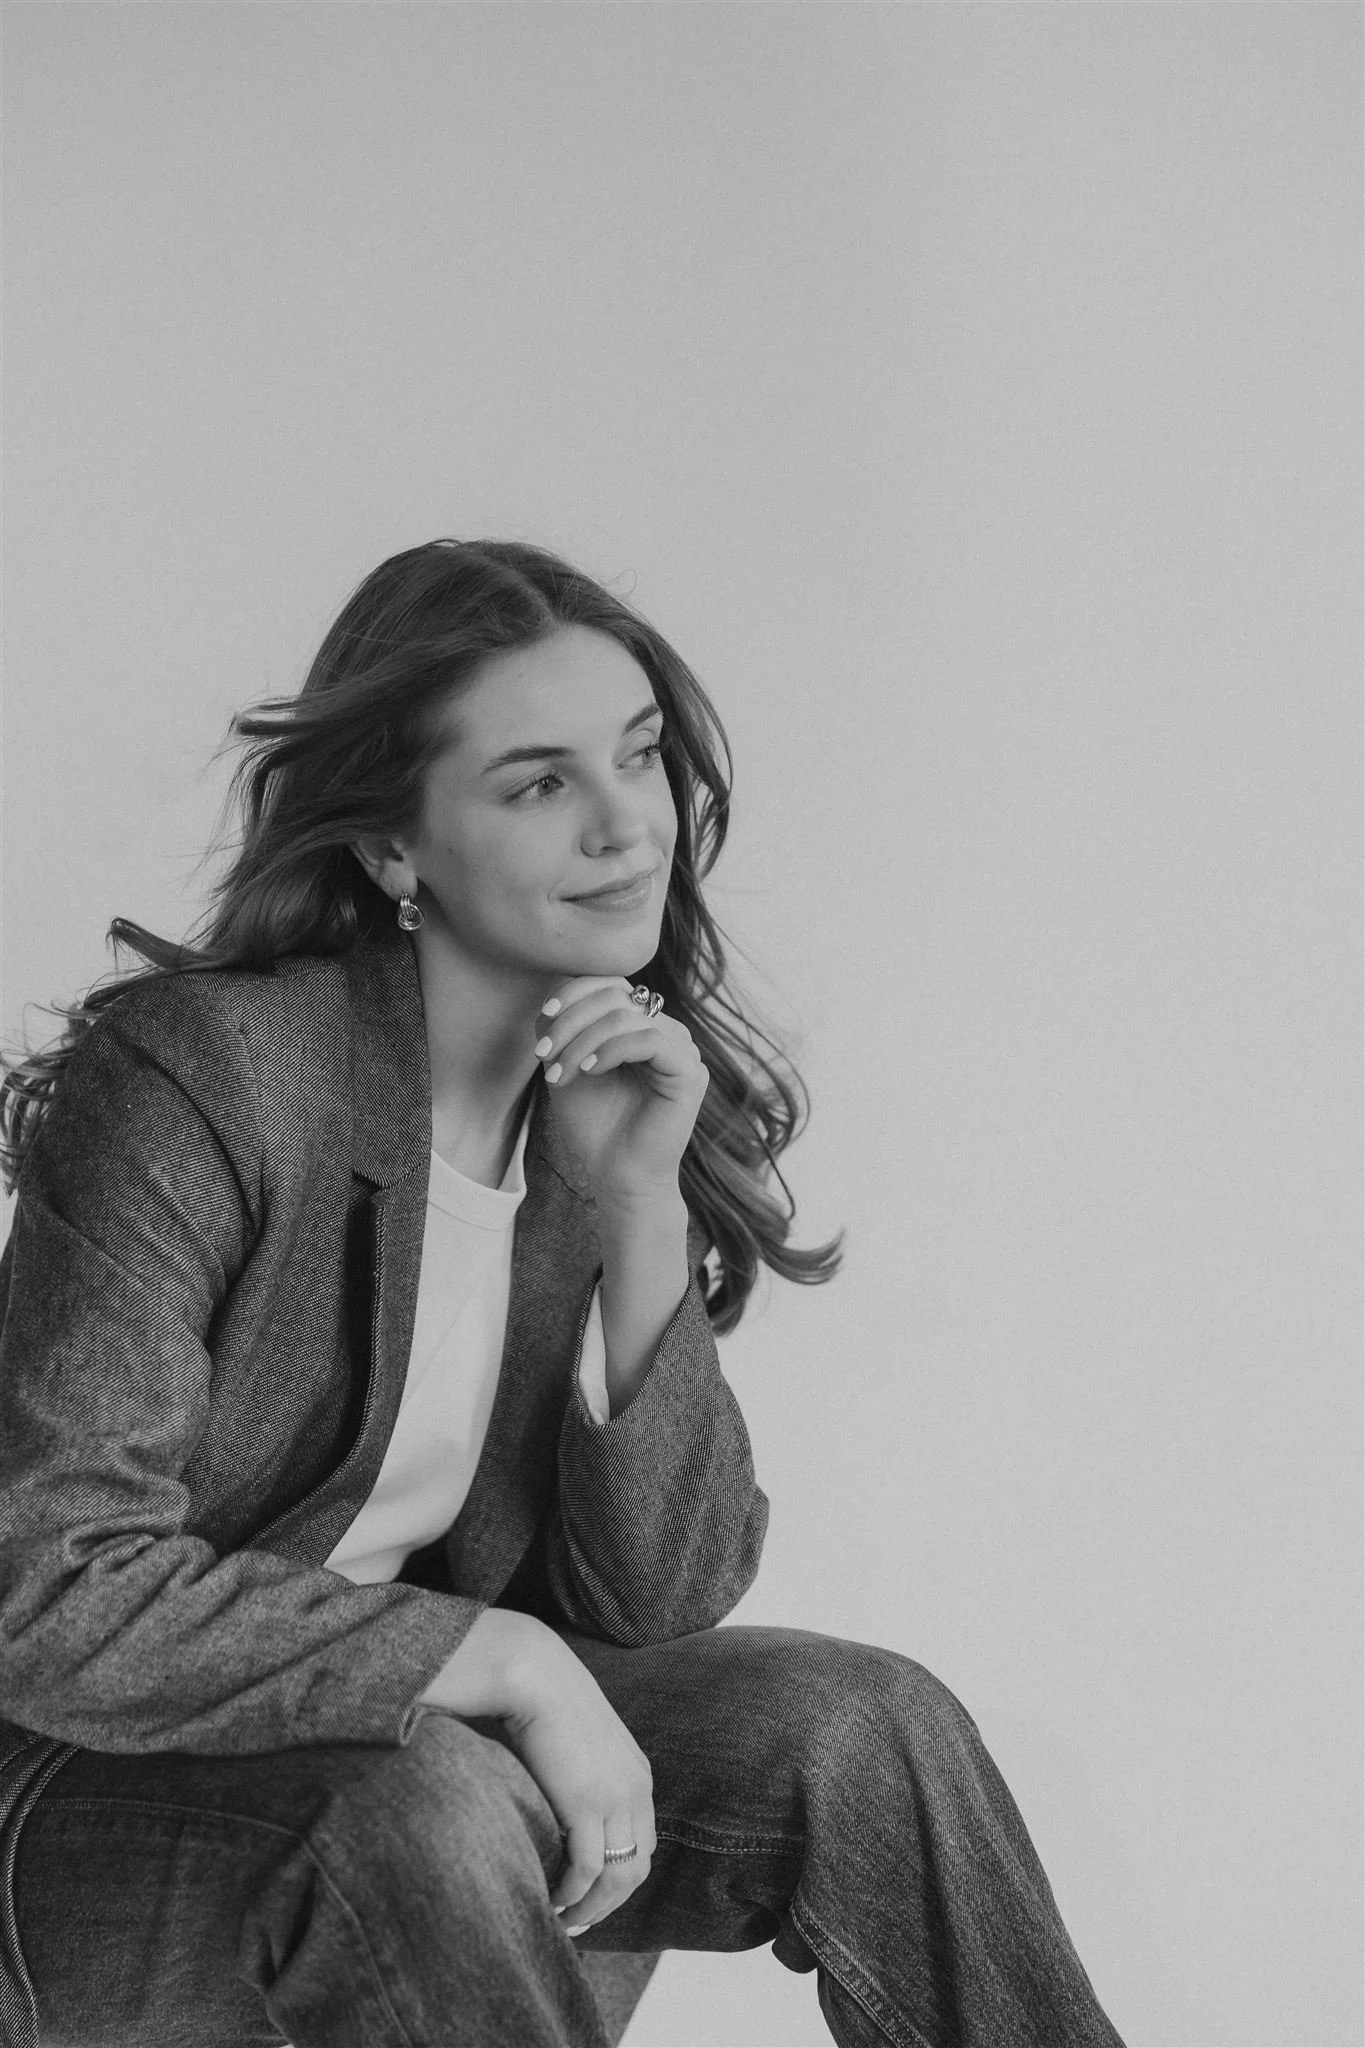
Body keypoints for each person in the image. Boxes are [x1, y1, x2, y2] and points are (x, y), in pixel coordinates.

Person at [0, 539, 1124, 2048]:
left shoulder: (591, 1109)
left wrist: (637, 1207)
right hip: (81, 1803)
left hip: (407, 1775)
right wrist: (499, 1659)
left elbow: (658, 1601)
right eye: (538, 784)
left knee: (868, 1732)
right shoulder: (211, 1078)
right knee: (428, 1782)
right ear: (396, 851)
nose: (624, 828)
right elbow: (47, 1582)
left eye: (642, 758)